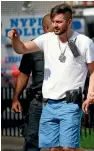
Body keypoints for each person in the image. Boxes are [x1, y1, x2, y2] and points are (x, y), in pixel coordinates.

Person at [8, 3, 94, 151]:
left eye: (59, 22)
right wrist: (14, 40)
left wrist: (90, 93)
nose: (55, 25)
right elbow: (21, 48)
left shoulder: (84, 42)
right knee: (54, 149)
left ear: (69, 22)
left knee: (68, 148)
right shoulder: (46, 39)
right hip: (49, 104)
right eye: (53, 21)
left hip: (70, 104)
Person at [11, 14, 54, 151]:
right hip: (38, 102)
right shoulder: (33, 47)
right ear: (45, 28)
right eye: (54, 27)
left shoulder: (67, 45)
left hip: (60, 101)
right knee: (32, 141)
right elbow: (24, 74)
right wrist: (16, 98)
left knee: (60, 144)